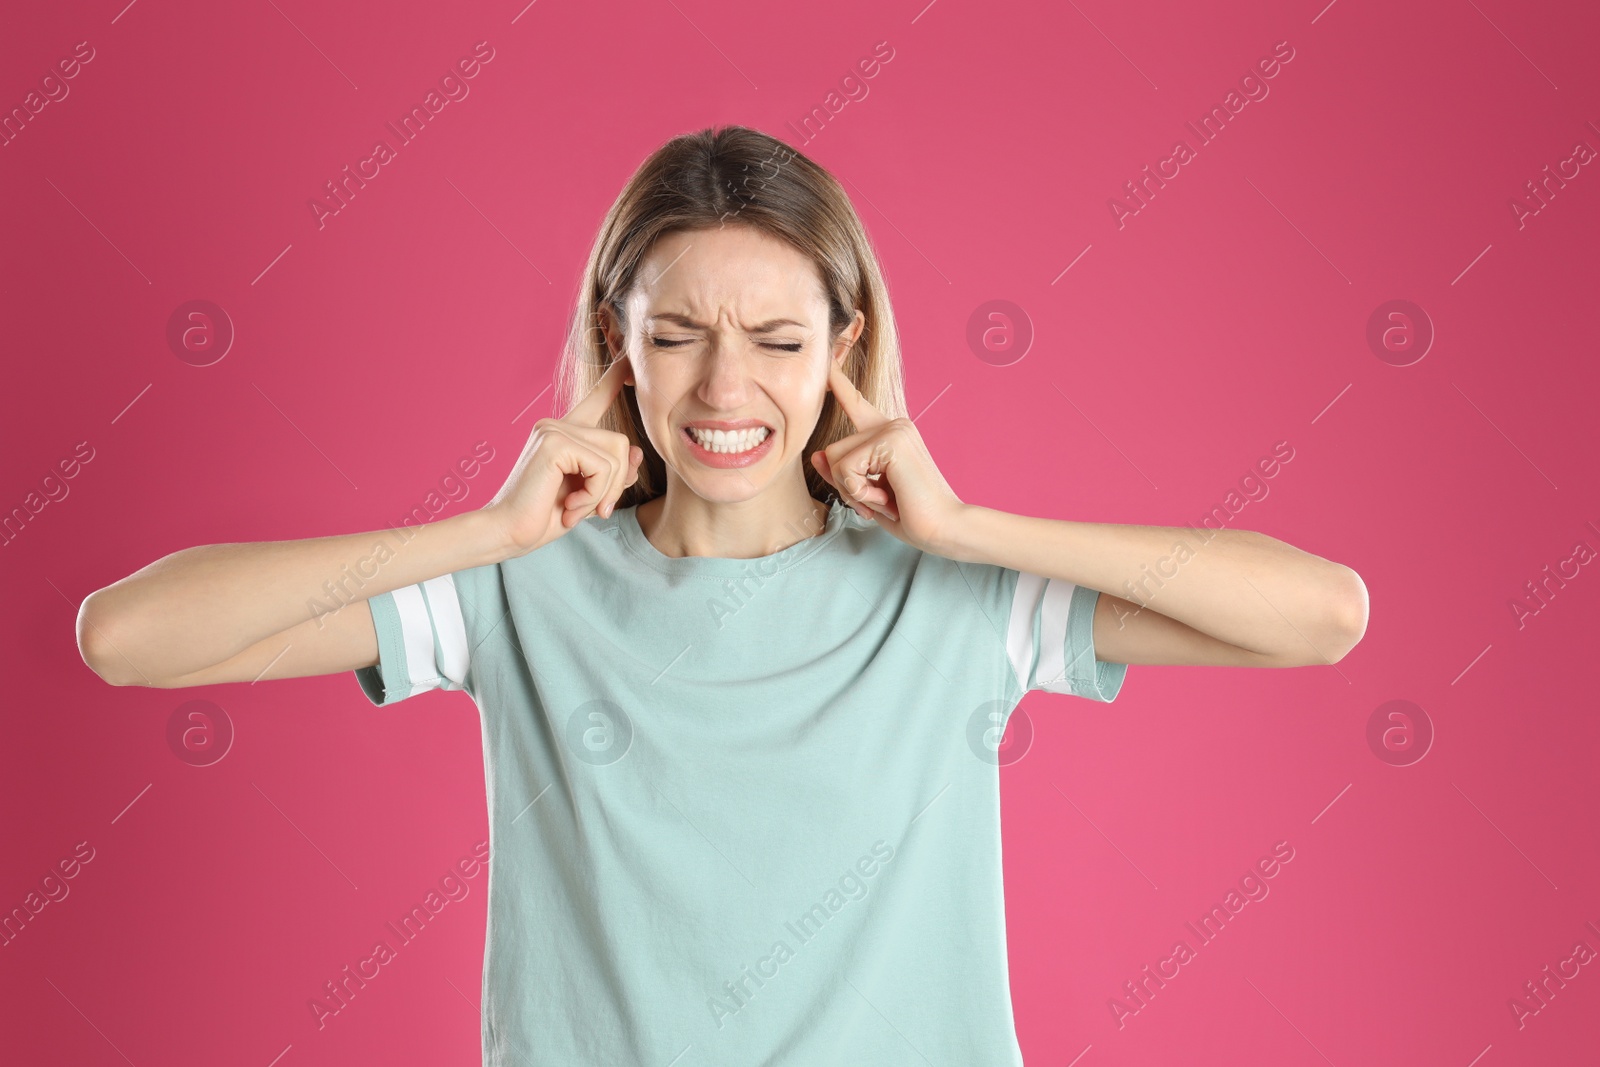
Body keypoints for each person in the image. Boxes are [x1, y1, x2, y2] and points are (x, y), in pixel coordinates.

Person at [76, 125, 1368, 1066]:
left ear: (846, 345)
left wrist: (968, 525)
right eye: (679, 334)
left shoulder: (960, 594)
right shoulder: (513, 591)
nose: (723, 388)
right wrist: (487, 527)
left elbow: (1321, 616)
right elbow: (129, 640)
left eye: (780, 339)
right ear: (615, 342)